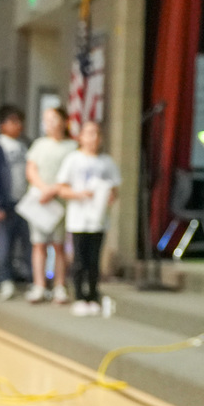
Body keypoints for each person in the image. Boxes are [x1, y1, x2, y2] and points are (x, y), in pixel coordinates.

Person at [56, 120, 120, 316]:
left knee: (94, 260)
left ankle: (93, 294)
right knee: (79, 259)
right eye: (88, 133)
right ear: (80, 137)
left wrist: (108, 196)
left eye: (96, 134)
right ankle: (79, 296)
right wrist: (79, 194)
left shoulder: (106, 162)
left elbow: (114, 190)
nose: (93, 138)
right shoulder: (73, 159)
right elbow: (62, 188)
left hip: (98, 219)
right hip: (78, 217)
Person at [24, 106, 78, 304]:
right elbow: (31, 170)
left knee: (59, 245)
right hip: (40, 200)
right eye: (46, 120)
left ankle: (59, 286)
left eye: (53, 119)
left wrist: (54, 189)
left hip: (59, 200)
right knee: (38, 244)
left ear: (64, 121)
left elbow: (73, 176)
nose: (49, 123)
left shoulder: (71, 147)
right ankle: (39, 285)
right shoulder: (39, 145)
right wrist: (43, 188)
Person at [0, 104, 30, 299]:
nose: (17, 125)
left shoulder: (25, 145)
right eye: (12, 121)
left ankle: (30, 278)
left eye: (19, 121)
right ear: (2, 125)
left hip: (25, 202)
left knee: (27, 242)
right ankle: (4, 279)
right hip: (6, 203)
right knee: (5, 244)